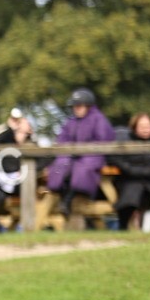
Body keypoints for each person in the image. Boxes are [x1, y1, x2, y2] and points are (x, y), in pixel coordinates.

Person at [45, 88, 116, 216]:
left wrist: (82, 150)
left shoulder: (99, 120)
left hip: (92, 156)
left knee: (81, 167)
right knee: (60, 165)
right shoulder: (71, 122)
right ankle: (63, 198)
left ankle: (68, 200)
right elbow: (62, 139)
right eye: (75, 106)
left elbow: (103, 140)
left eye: (79, 106)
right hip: (73, 157)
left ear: (88, 106)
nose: (76, 109)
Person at [108, 112, 150, 230]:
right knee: (128, 200)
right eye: (142, 126)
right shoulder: (126, 146)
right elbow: (115, 159)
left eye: (147, 126)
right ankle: (123, 226)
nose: (145, 129)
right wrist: (130, 170)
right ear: (135, 127)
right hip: (130, 180)